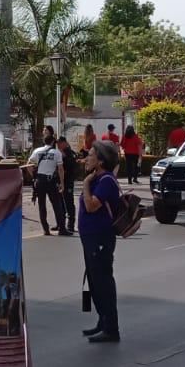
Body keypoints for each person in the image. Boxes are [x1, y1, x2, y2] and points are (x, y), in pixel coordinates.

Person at [78, 140, 123, 344]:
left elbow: (91, 206)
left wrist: (86, 184)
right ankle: (101, 321)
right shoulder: (97, 178)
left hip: (100, 237)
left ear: (101, 160)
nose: (87, 157)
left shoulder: (105, 180)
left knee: (103, 281)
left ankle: (111, 328)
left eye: (91, 154)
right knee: (93, 281)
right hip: (90, 237)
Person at [24, 136, 66, 235]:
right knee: (56, 205)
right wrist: (62, 183)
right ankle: (62, 228)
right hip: (50, 180)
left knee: (41, 205)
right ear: (53, 142)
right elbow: (60, 169)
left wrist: (34, 177)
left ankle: (45, 229)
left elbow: (28, 165)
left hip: (40, 180)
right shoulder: (56, 153)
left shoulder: (37, 151)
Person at [56, 137, 79, 235]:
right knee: (60, 203)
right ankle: (61, 224)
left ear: (64, 143)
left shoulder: (70, 153)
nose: (58, 146)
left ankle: (71, 225)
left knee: (69, 202)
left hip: (68, 181)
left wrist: (64, 157)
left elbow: (70, 167)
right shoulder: (59, 153)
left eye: (60, 144)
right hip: (60, 181)